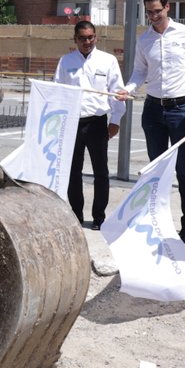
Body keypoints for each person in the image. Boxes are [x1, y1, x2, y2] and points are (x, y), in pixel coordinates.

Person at [118, 0, 185, 242]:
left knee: (184, 170)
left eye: (157, 11)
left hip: (181, 110)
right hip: (152, 111)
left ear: (167, 7)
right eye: (149, 13)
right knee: (155, 171)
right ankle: (155, 223)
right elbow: (139, 72)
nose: (153, 16)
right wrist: (127, 89)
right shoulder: (144, 40)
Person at [53, 20, 124, 230]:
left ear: (96, 37)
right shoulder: (66, 62)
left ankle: (99, 217)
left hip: (97, 123)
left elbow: (117, 92)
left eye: (91, 37)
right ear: (75, 39)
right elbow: (58, 93)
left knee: (101, 171)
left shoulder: (108, 61)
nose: (87, 42)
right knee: (73, 172)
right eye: (83, 38)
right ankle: (76, 215)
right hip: (73, 123)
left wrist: (116, 121)